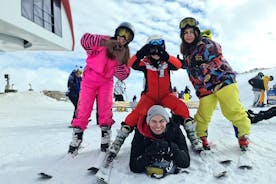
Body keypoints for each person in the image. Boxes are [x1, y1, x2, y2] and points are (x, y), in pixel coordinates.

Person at [96, 35, 202, 173]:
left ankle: (193, 137)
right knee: (134, 116)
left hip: (166, 96)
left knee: (181, 107)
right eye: (152, 49)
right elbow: (131, 63)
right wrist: (142, 52)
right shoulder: (145, 63)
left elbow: (179, 64)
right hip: (150, 97)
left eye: (159, 49)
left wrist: (165, 56)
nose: (156, 53)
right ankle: (117, 142)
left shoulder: (167, 62)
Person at [178, 17, 251, 151]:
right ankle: (201, 138)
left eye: (191, 32)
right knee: (203, 114)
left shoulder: (206, 44)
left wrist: (202, 69)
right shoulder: (187, 53)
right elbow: (190, 68)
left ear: (196, 33)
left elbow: (217, 58)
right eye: (185, 33)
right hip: (204, 88)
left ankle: (243, 136)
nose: (188, 35)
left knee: (232, 110)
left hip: (222, 81)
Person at [67, 22, 135, 155]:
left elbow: (123, 75)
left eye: (128, 36)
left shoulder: (124, 52)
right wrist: (104, 43)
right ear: (117, 32)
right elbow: (84, 40)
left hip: (106, 82)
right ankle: (77, 137)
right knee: (83, 108)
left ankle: (105, 138)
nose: (123, 37)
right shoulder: (105, 40)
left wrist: (120, 61)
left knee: (105, 108)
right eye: (122, 32)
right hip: (90, 79)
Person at [129, 105, 190, 178]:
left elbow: (185, 162)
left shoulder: (174, 129)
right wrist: (150, 152)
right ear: (148, 122)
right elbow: (134, 166)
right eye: (154, 121)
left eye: (162, 121)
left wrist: (170, 147)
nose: (158, 126)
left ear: (166, 122)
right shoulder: (141, 132)